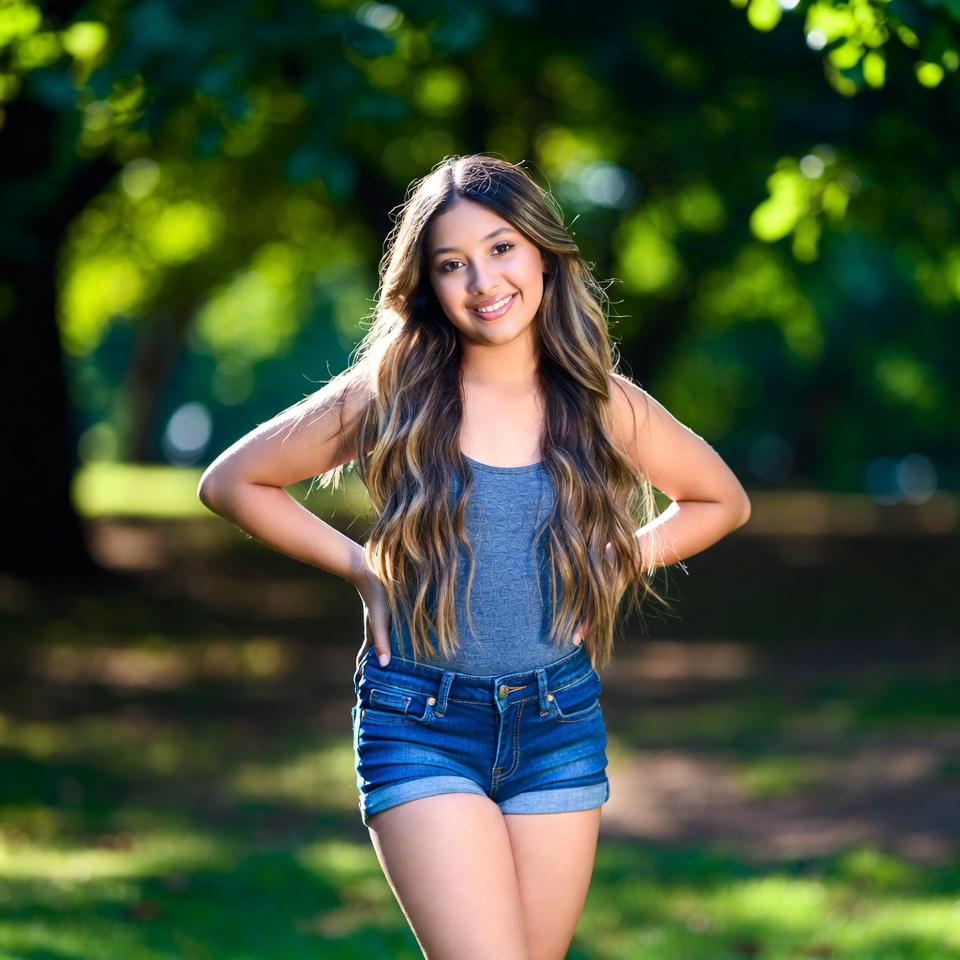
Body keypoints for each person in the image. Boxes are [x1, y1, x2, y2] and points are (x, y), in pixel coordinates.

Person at [198, 154, 750, 960]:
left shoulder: (600, 402)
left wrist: (615, 560)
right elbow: (234, 481)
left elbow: (721, 501)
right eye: (451, 264)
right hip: (420, 722)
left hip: (557, 724)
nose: (482, 280)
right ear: (426, 284)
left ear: (543, 255)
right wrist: (361, 568)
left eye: (501, 248)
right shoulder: (393, 390)